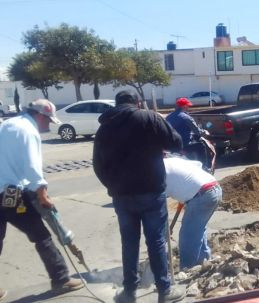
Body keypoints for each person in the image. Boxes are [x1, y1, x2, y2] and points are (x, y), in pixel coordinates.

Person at [93, 91, 183, 303]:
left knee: (129, 243)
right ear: (138, 102)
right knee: (157, 241)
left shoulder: (104, 127)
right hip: (151, 191)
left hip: (122, 196)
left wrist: (113, 186)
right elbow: (176, 143)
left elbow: (98, 165)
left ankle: (129, 292)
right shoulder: (149, 118)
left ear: (116, 104)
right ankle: (165, 290)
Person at [0, 99, 84, 297]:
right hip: (11, 194)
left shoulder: (7, 125)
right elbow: (32, 165)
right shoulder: (28, 131)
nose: (48, 125)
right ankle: (61, 278)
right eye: (48, 121)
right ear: (40, 115)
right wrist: (42, 194)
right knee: (42, 237)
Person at [163, 156, 221, 269]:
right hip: (214, 188)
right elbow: (198, 164)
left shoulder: (156, 172)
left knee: (187, 235)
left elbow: (160, 207)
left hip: (203, 195)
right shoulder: (172, 161)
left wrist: (165, 231)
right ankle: (203, 261)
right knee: (198, 228)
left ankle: (187, 269)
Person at [165, 97, 207, 163]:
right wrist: (205, 132)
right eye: (187, 105)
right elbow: (197, 131)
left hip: (172, 145)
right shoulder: (186, 117)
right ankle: (205, 167)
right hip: (184, 145)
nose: (188, 107)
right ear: (184, 106)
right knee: (201, 146)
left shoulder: (168, 117)